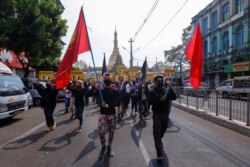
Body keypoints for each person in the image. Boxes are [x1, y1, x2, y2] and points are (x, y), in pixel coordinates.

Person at [149, 75, 176, 160]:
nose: (160, 81)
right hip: (156, 114)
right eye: (158, 80)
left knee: (163, 130)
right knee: (157, 132)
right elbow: (150, 101)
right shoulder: (152, 91)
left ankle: (159, 140)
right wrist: (159, 100)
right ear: (155, 82)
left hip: (165, 114)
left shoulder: (166, 90)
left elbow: (174, 97)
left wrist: (171, 88)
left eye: (161, 80)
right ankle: (159, 152)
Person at [98, 73, 120, 159]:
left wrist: (107, 105)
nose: (107, 79)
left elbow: (118, 103)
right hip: (103, 114)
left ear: (111, 80)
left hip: (112, 114)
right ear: (103, 80)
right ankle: (103, 146)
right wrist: (100, 103)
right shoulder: (101, 91)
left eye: (108, 77)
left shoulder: (115, 91)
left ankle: (109, 146)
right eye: (106, 78)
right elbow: (98, 101)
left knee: (111, 132)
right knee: (101, 132)